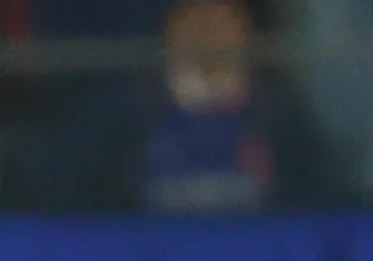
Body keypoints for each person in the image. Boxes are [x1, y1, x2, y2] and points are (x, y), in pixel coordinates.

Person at [71, 0, 349, 212]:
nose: (207, 37)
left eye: (220, 24)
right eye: (195, 24)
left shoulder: (280, 117)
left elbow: (323, 200)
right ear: (169, 33)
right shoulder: (127, 116)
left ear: (245, 34)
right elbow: (84, 202)